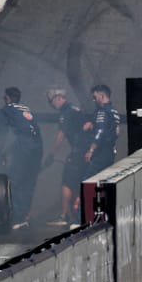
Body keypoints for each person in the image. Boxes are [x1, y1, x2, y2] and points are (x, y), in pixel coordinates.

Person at [0, 86, 43, 229]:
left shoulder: (6, 110)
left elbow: (3, 134)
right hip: (37, 147)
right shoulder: (26, 109)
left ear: (7, 98)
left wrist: (1, 152)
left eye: (4, 97)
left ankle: (17, 218)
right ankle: (25, 215)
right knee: (29, 182)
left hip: (24, 147)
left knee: (15, 181)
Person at [46, 88, 90, 225]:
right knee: (78, 181)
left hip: (78, 152)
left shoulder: (66, 112)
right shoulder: (75, 109)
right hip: (86, 151)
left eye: (51, 101)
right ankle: (77, 214)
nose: (51, 105)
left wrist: (51, 154)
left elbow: (61, 135)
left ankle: (64, 216)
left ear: (58, 98)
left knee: (67, 182)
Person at [84, 84, 121, 176]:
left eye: (95, 97)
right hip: (110, 151)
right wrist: (93, 125)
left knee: (89, 181)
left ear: (101, 96)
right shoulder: (113, 111)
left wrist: (91, 150)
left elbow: (101, 131)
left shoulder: (103, 111)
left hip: (101, 152)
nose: (94, 100)